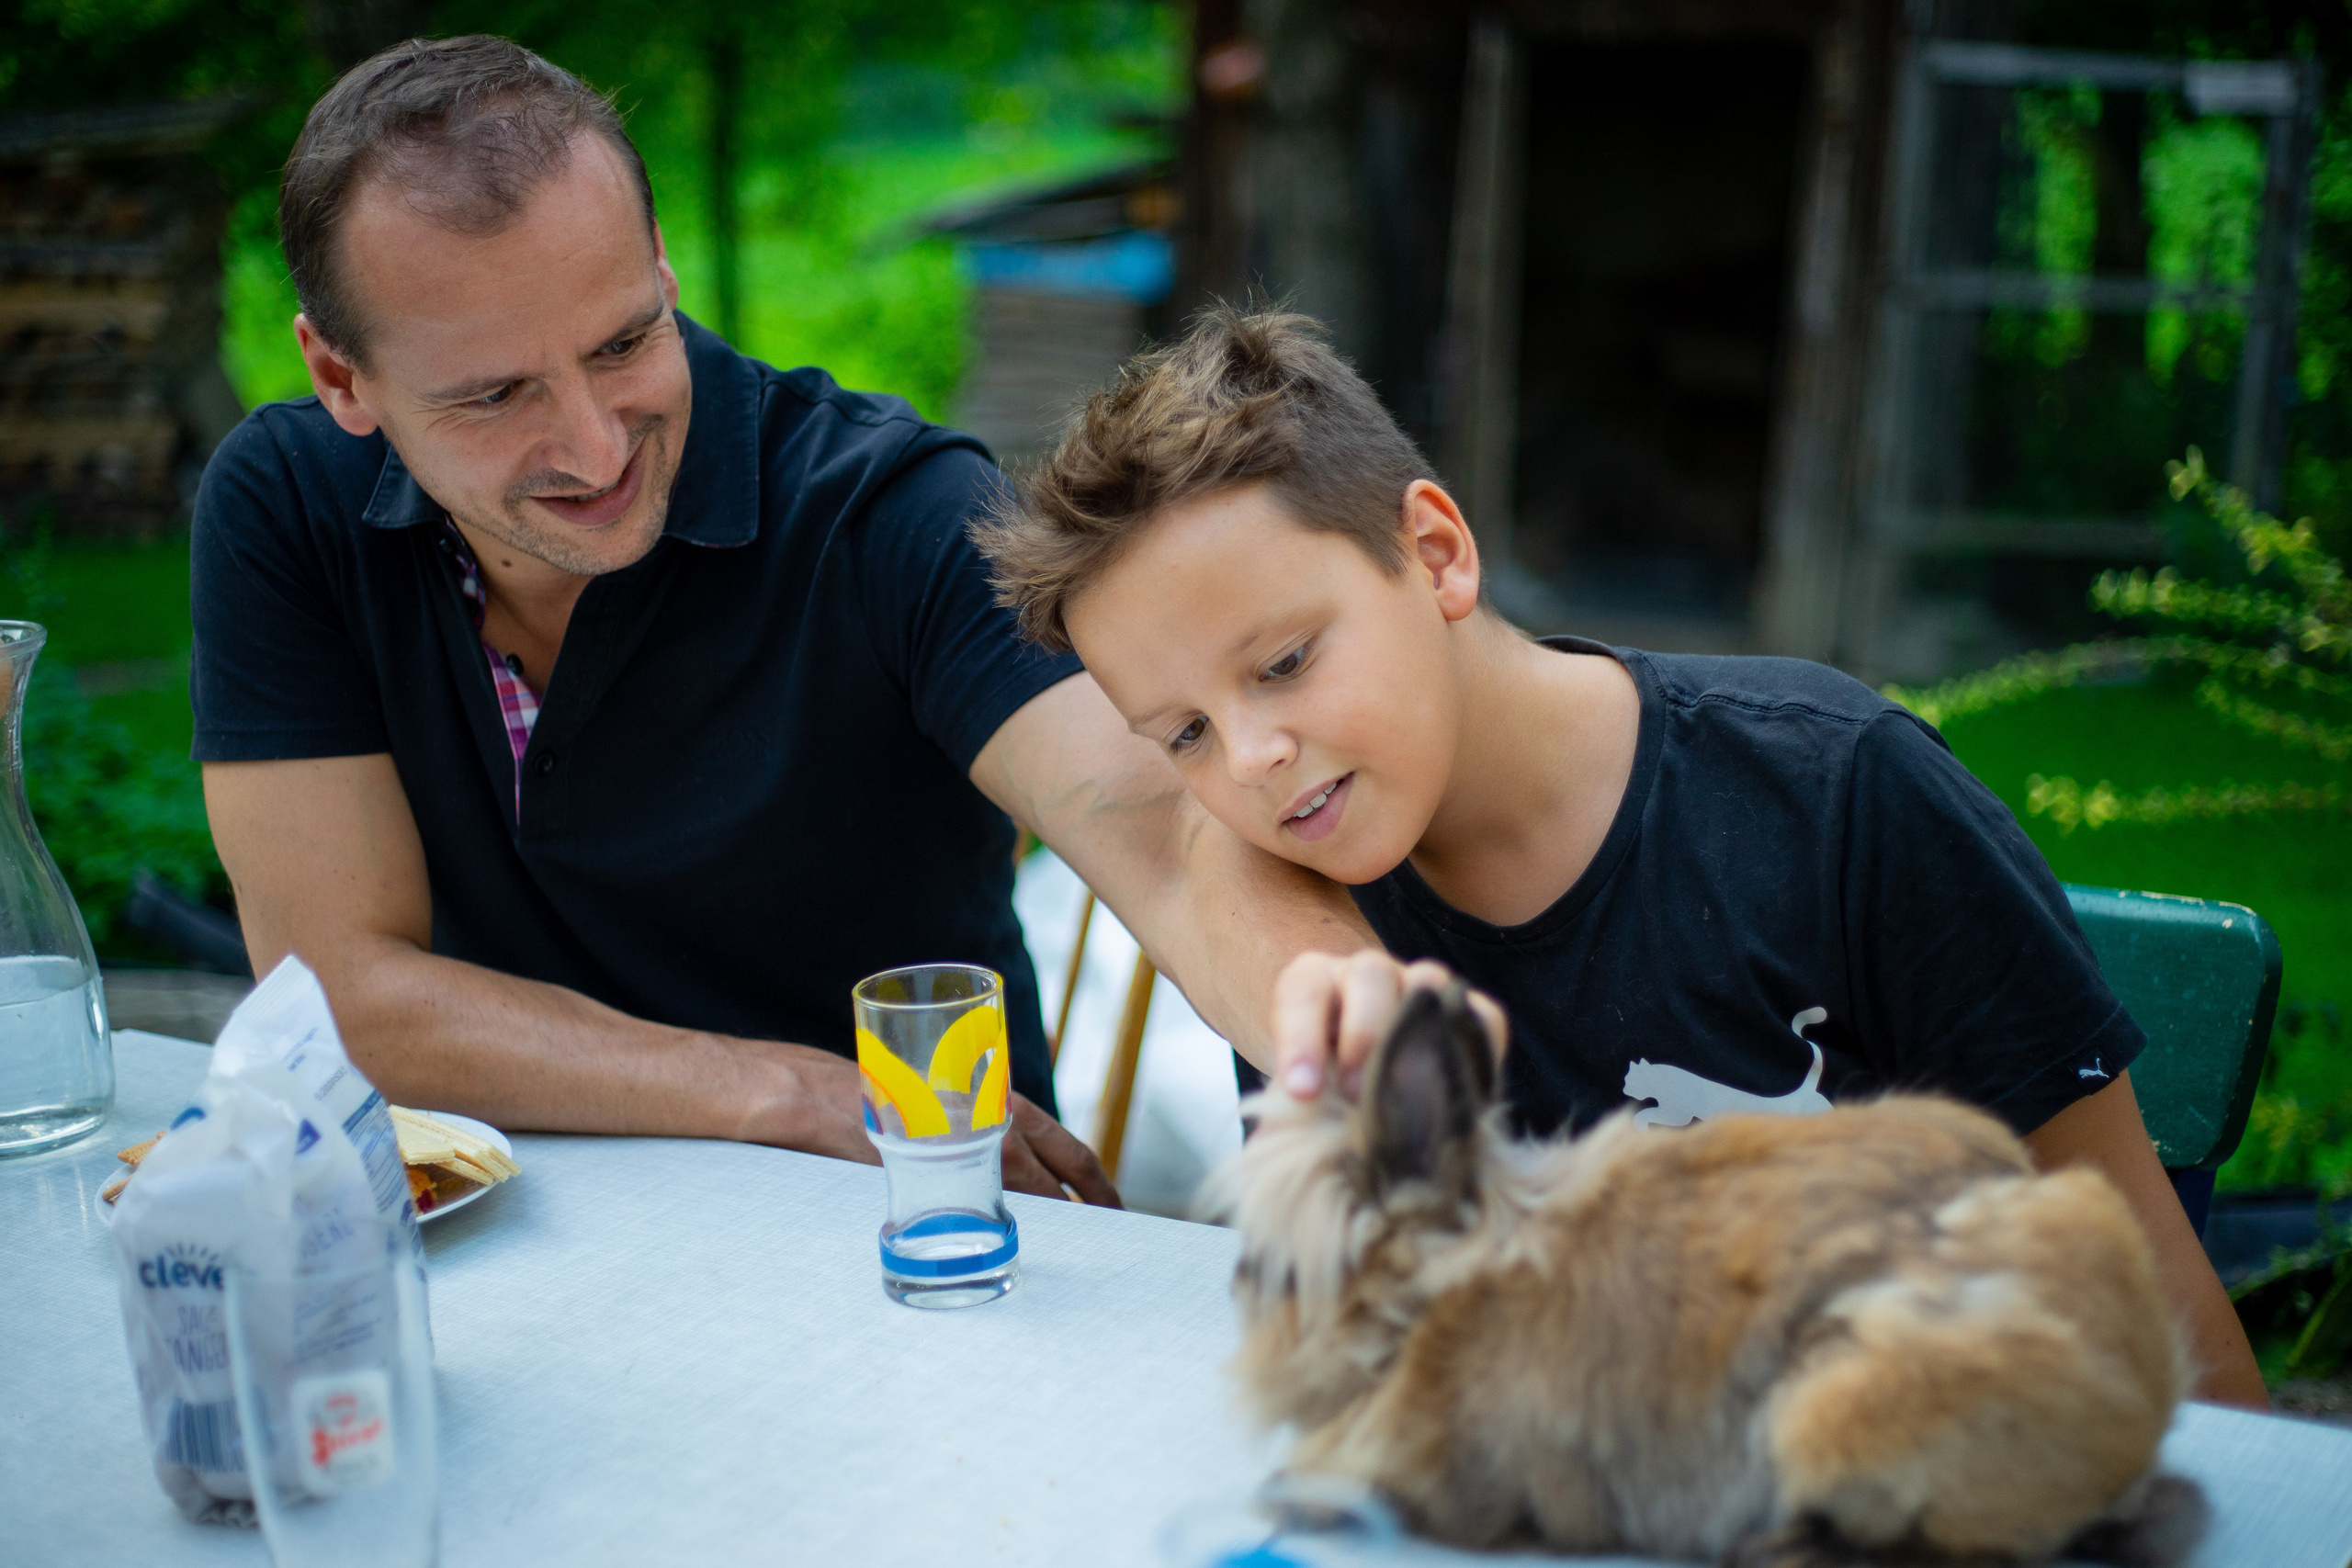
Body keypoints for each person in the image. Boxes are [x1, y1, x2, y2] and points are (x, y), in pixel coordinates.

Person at [970, 305, 2269, 1405]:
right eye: (1184, 730)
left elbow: (2146, 1282)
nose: (1250, 756)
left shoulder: (1839, 794)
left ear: (1436, 551)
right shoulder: (1305, 923)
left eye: (1287, 661)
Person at [192, 38, 1372, 1207]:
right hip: (514, 1237)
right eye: (496, 395)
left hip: (923, 1228)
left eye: (623, 342)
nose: (597, 448)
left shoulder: (895, 514)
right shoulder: (285, 509)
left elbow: (1172, 841)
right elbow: (337, 992)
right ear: (341, 380)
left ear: (659, 264)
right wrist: (780, 1091)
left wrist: (1381, 1051)